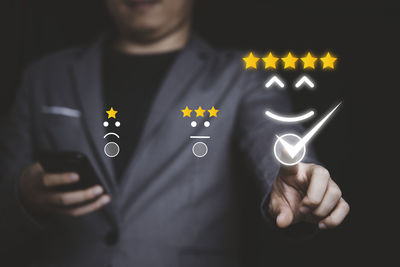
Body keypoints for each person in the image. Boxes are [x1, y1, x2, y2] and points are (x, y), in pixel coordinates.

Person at [0, 0, 349, 266]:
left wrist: (294, 176)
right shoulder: (44, 76)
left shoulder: (242, 74)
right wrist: (22, 197)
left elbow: (271, 132)